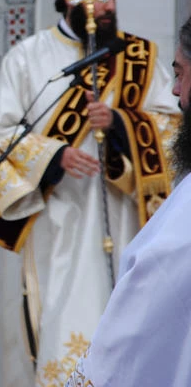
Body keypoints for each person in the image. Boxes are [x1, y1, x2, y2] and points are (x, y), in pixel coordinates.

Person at [0, 0, 180, 385]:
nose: (107, 7)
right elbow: (1, 135)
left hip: (126, 214)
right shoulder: (27, 57)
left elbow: (172, 127)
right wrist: (54, 155)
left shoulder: (140, 57)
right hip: (58, 224)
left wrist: (120, 125)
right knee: (59, 322)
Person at [65, 19, 191, 386]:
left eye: (181, 74)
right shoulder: (30, 56)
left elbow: (155, 289)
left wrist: (118, 122)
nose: (176, 93)